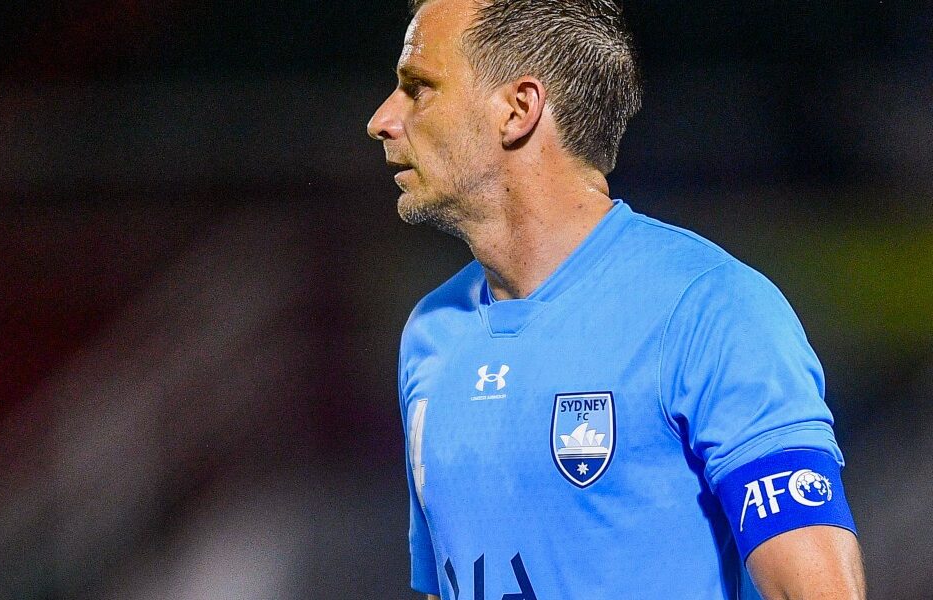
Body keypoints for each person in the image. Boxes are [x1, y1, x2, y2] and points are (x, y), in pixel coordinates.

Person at [366, 0, 865, 598]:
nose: (382, 120)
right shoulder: (432, 334)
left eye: (418, 88)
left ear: (518, 110)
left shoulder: (712, 309)